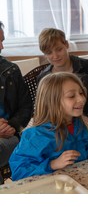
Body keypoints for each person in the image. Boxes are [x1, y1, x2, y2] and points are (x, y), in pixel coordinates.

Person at [9, 72, 88, 181]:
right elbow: (18, 171)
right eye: (72, 96)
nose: (81, 99)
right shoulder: (36, 136)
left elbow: (84, 151)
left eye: (81, 93)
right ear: (52, 102)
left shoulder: (79, 124)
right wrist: (52, 164)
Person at [37, 28, 88, 148]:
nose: (55, 56)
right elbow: (45, 110)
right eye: (49, 52)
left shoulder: (87, 66)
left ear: (66, 44)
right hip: (59, 129)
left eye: (59, 49)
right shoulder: (44, 78)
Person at [0, 21, 33, 184]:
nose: (1, 47)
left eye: (2, 40)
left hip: (9, 135)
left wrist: (12, 125)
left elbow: (26, 106)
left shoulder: (11, 70)